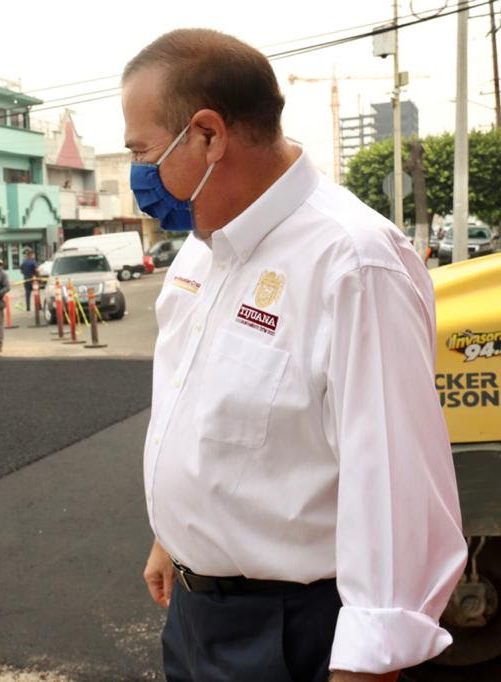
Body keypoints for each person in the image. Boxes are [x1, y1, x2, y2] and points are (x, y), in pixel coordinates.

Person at [123, 30, 465, 682]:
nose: (137, 174)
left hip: (289, 633)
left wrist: (368, 665)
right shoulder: (203, 250)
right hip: (195, 617)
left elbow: (393, 490)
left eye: (140, 151)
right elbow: (193, 405)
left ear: (207, 136)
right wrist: (177, 536)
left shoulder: (353, 262)